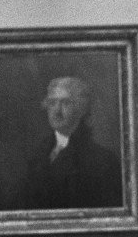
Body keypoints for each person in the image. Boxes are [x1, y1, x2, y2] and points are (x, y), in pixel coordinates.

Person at [7, 76, 123, 211]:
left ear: (81, 109)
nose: (56, 111)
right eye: (52, 103)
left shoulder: (104, 161)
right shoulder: (37, 154)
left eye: (65, 103)